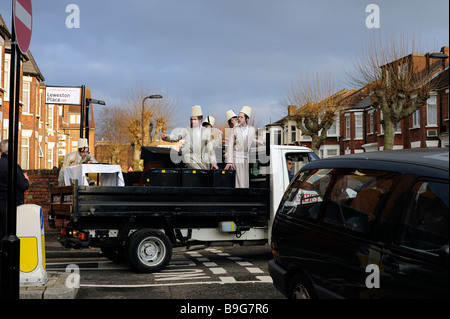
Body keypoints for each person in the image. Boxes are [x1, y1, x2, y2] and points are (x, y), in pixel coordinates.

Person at [162, 105, 217, 170]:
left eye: (195, 119)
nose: (192, 121)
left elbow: (210, 149)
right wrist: (167, 137)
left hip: (203, 161)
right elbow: (177, 137)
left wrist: (214, 163)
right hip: (190, 159)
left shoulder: (206, 132)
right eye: (191, 119)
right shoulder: (186, 130)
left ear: (201, 120)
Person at [0, 139, 30, 239]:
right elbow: (23, 185)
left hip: (1, 204)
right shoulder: (13, 166)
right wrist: (26, 179)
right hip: (12, 206)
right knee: (11, 234)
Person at [224, 106, 257, 188]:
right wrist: (230, 161)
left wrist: (260, 142)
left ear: (247, 119)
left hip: (245, 158)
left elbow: (251, 140)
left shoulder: (252, 129)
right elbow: (230, 145)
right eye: (238, 117)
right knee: (239, 182)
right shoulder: (235, 129)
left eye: (241, 117)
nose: (239, 119)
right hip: (237, 158)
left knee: (245, 182)